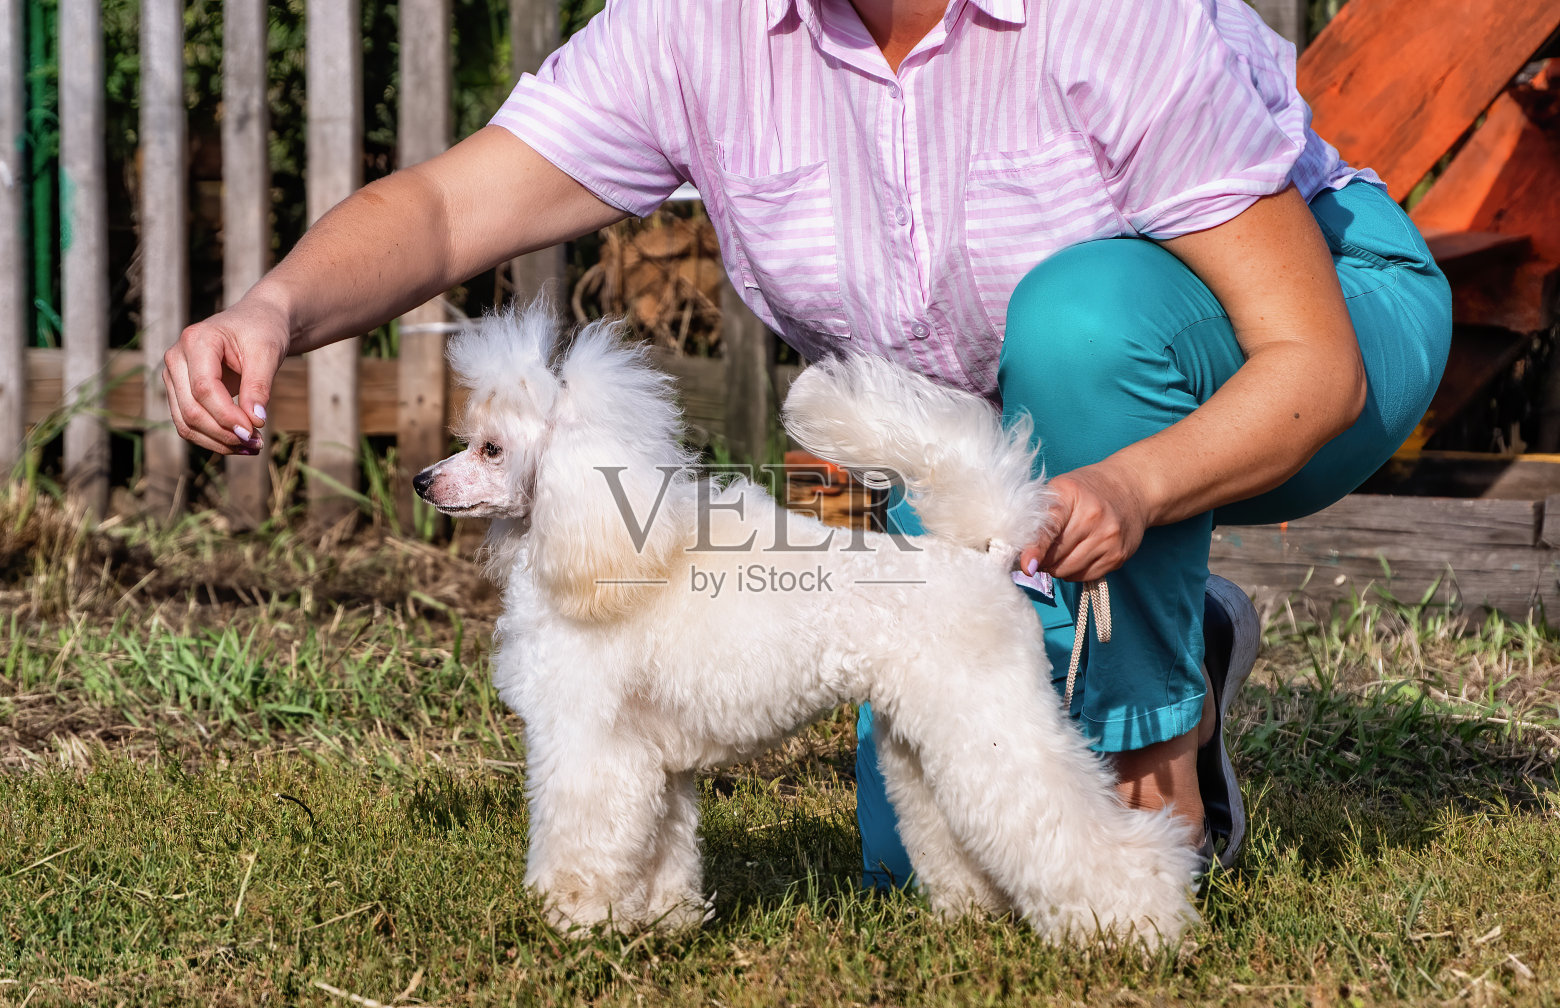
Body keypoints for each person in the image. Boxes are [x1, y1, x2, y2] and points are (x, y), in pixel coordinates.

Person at [164, 0, 1450, 878]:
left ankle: (1154, 745)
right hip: (992, 421)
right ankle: (1187, 633)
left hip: (1305, 327)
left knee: (1082, 317)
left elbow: (1313, 365)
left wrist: (1130, 483)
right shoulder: (699, 25)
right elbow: (446, 213)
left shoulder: (1105, 16)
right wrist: (272, 305)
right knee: (926, 856)